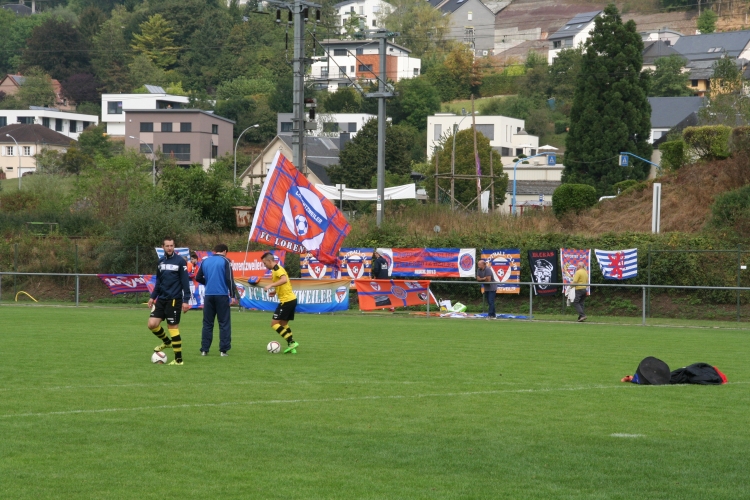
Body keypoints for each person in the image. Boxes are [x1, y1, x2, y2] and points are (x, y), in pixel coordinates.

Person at [149, 237, 191, 365]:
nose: (169, 248)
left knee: (172, 327)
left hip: (174, 300)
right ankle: (167, 342)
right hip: (161, 299)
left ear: (174, 246)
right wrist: (152, 297)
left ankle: (179, 360)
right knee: (152, 324)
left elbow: (185, 282)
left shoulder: (180, 261)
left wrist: (186, 300)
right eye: (167, 246)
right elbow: (158, 282)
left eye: (171, 245)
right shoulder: (160, 262)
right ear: (163, 247)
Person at [195, 244, 236, 357]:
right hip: (221, 295)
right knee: (224, 323)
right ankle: (223, 350)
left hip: (208, 296)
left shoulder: (205, 261)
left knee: (207, 323)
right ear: (224, 251)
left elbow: (198, 277)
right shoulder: (226, 261)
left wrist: (208, 282)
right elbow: (229, 279)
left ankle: (204, 349)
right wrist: (233, 295)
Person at [261, 252, 299, 354]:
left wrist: (270, 285)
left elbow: (284, 280)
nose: (265, 266)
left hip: (286, 301)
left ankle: (291, 342)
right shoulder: (276, 269)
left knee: (274, 323)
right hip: (291, 300)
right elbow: (283, 283)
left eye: (265, 263)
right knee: (283, 324)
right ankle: (292, 347)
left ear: (269, 261)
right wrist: (275, 291)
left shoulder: (277, 269)